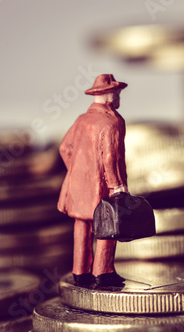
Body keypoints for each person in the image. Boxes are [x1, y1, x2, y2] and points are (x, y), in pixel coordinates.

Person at [58, 74, 128, 287]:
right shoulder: (113, 122)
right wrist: (116, 185)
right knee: (108, 223)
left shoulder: (81, 120)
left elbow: (64, 148)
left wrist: (78, 172)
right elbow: (109, 157)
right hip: (103, 186)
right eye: (117, 94)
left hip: (78, 186)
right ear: (109, 96)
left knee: (82, 225)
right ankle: (103, 271)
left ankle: (80, 272)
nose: (118, 98)